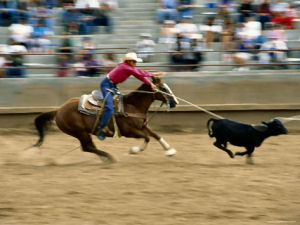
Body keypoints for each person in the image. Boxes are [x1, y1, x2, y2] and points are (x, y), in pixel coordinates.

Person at [97, 52, 164, 140]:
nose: (135, 63)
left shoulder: (129, 68)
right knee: (109, 108)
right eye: (134, 61)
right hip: (106, 85)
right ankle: (101, 128)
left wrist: (150, 83)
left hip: (112, 85)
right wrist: (153, 74)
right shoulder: (125, 67)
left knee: (120, 103)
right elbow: (139, 72)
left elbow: (139, 76)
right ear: (129, 61)